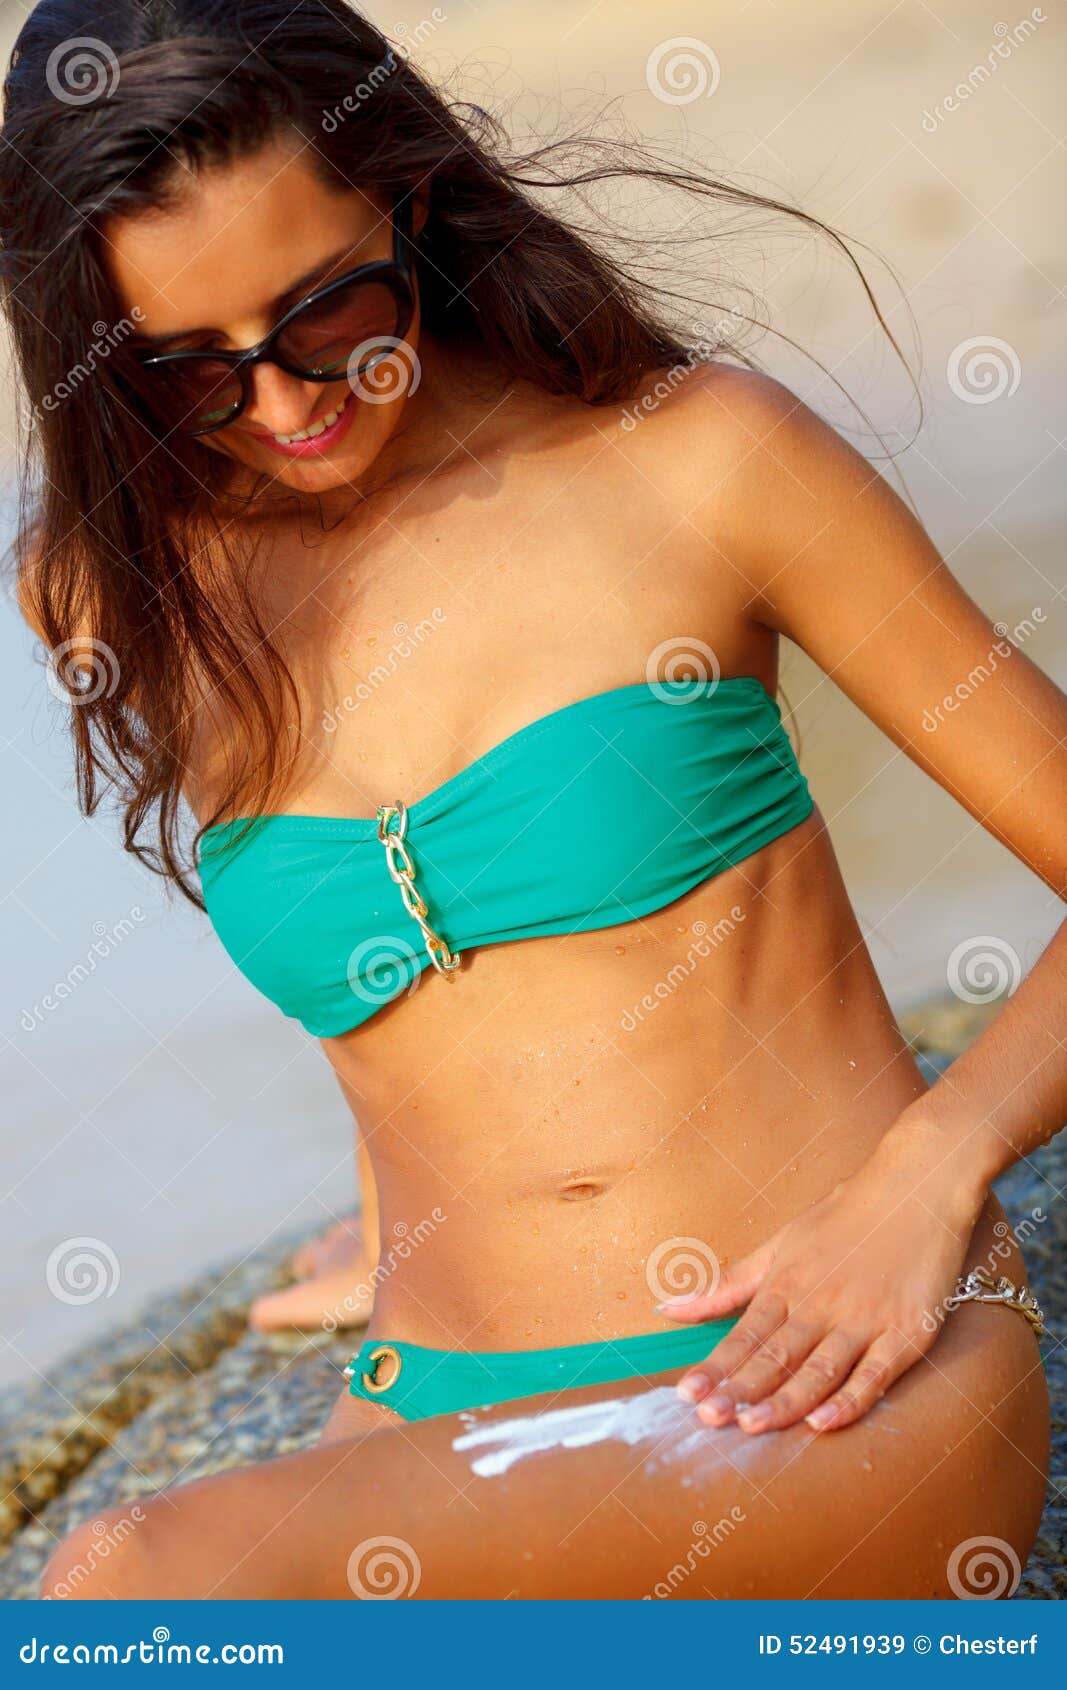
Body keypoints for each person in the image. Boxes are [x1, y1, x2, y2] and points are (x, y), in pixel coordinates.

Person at [3, 0, 1059, 1599]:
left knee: (137, 1578)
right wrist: (396, 1201)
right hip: (444, 1411)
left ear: (409, 199)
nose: (287, 406)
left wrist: (927, 1172)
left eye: (323, 313)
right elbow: (397, 965)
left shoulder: (697, 463)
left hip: (822, 1373)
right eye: (190, 372)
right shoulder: (120, 589)